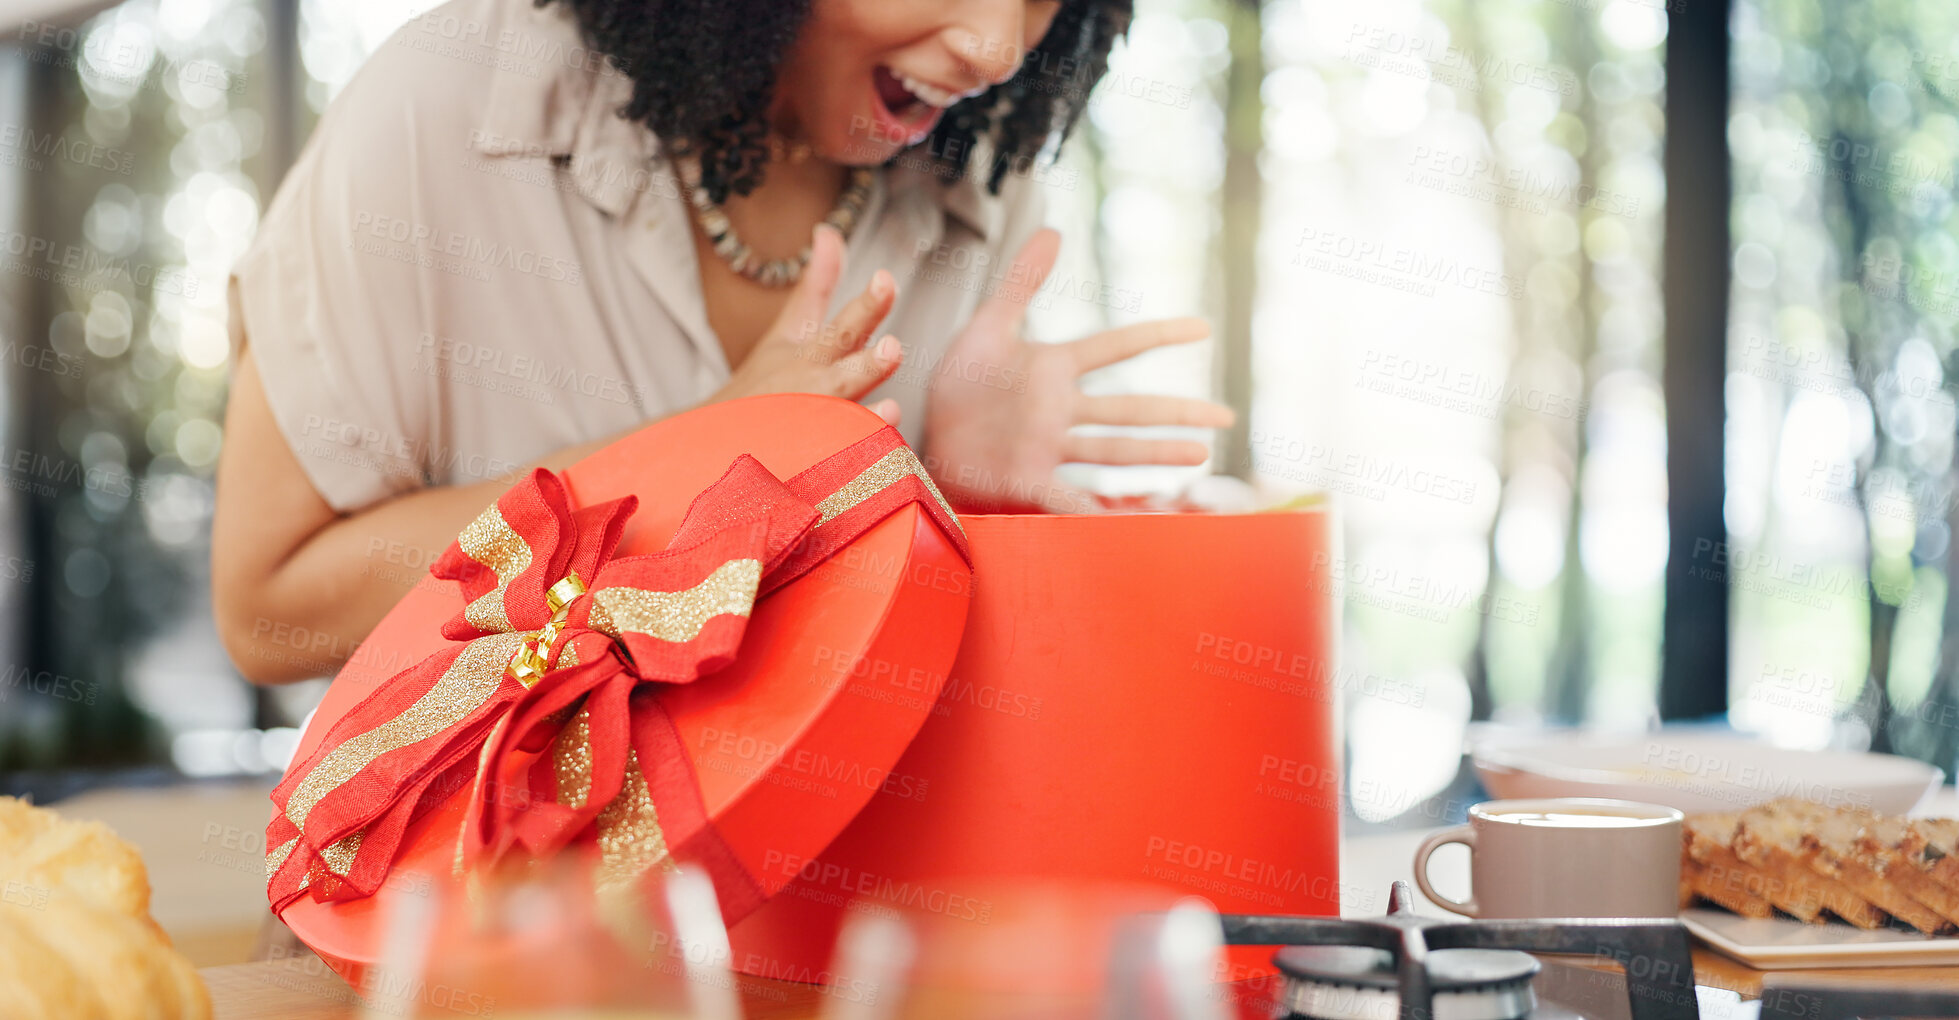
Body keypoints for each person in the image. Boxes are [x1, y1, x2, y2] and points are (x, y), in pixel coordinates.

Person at [212, 0, 1233, 684]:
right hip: (463, 962)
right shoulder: (444, 109)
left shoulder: (985, 189)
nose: (997, 45)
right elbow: (266, 607)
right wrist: (690, 468)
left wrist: (955, 498)